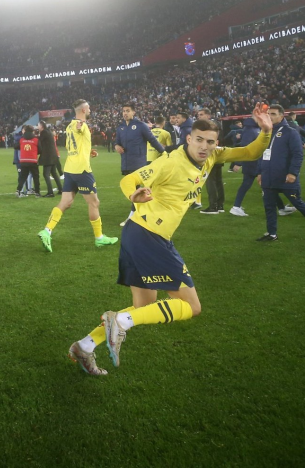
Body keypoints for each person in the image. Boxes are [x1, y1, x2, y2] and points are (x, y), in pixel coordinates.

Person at [67, 103, 272, 376]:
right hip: (148, 236)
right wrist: (134, 195)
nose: (203, 146)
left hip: (138, 234)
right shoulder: (171, 162)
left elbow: (250, 151)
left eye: (209, 142)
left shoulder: (212, 156)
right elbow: (130, 180)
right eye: (198, 139)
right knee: (191, 306)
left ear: (215, 144)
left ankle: (85, 345)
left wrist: (267, 131)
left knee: (144, 308)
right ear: (188, 138)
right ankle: (119, 322)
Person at [37, 100, 117, 252]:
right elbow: (78, 128)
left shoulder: (68, 126)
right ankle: (99, 238)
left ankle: (47, 231)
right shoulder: (79, 124)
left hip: (70, 168)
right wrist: (80, 126)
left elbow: (70, 146)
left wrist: (88, 152)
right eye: (88, 107)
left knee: (66, 202)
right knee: (94, 203)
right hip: (82, 170)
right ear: (83, 110)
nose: (90, 110)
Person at [256, 104, 305, 241]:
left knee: (298, 204)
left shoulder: (291, 132)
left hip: (285, 178)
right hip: (268, 177)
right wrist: (259, 172)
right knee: (269, 207)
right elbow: (261, 153)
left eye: (273, 114)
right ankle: (272, 234)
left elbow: (297, 154)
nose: (270, 117)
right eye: (269, 114)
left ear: (281, 116)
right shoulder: (265, 132)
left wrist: (293, 173)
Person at [115, 103, 165, 225]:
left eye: (128, 111)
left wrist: (164, 153)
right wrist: (116, 146)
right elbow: (116, 142)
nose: (125, 113)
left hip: (138, 163)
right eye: (123, 111)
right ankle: (143, 214)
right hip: (126, 162)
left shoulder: (140, 126)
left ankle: (132, 217)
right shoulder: (120, 127)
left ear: (133, 112)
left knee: (137, 190)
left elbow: (152, 140)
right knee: (136, 190)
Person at [197, 108, 225, 214]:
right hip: (219, 153)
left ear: (208, 115)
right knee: (218, 180)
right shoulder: (217, 124)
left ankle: (213, 207)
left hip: (211, 154)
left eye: (201, 114)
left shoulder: (209, 126)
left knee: (210, 180)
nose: (199, 116)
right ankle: (220, 205)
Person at [37, 121, 62, 197]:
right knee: (54, 173)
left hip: (48, 156)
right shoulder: (48, 132)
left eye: (38, 125)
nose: (37, 127)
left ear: (41, 126)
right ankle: (61, 189)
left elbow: (39, 141)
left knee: (46, 174)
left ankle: (50, 192)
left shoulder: (43, 132)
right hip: (53, 155)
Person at [16, 125, 41, 198]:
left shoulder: (21, 140)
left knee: (23, 177)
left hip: (23, 161)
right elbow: (40, 149)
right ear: (32, 131)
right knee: (36, 176)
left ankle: (18, 190)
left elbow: (16, 146)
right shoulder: (36, 140)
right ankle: (37, 193)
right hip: (33, 160)